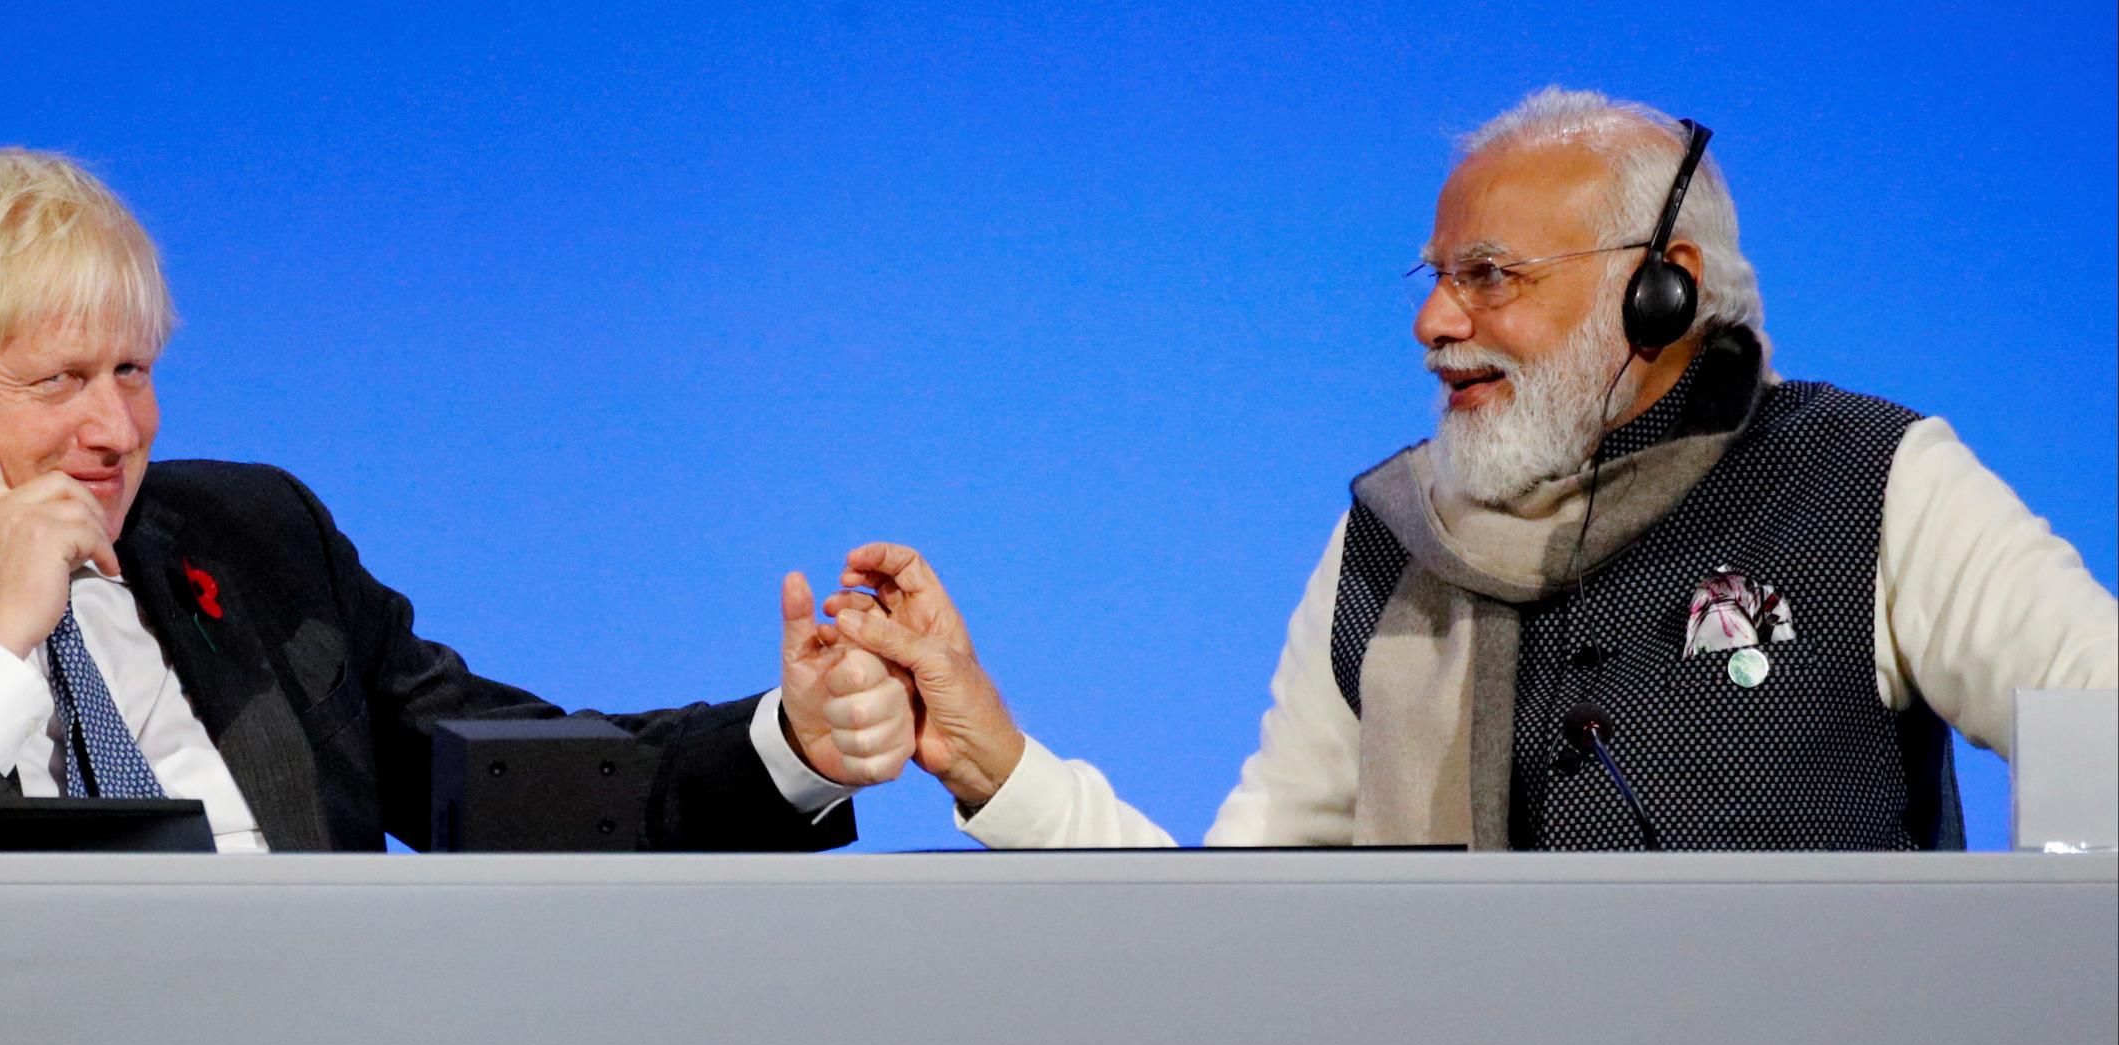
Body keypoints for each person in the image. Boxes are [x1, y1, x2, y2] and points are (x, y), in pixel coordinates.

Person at [827, 87, 2118, 851]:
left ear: (1661, 295)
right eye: (1436, 278)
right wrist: (1000, 767)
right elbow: (1230, 934)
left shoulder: (1871, 483)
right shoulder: (1392, 536)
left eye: (1489, 276)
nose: (1433, 323)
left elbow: (2102, 721)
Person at [0, 146, 914, 852]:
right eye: (61, 378)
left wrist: (785, 747)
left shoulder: (256, 535)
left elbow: (509, 776)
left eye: (134, 371)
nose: (115, 428)